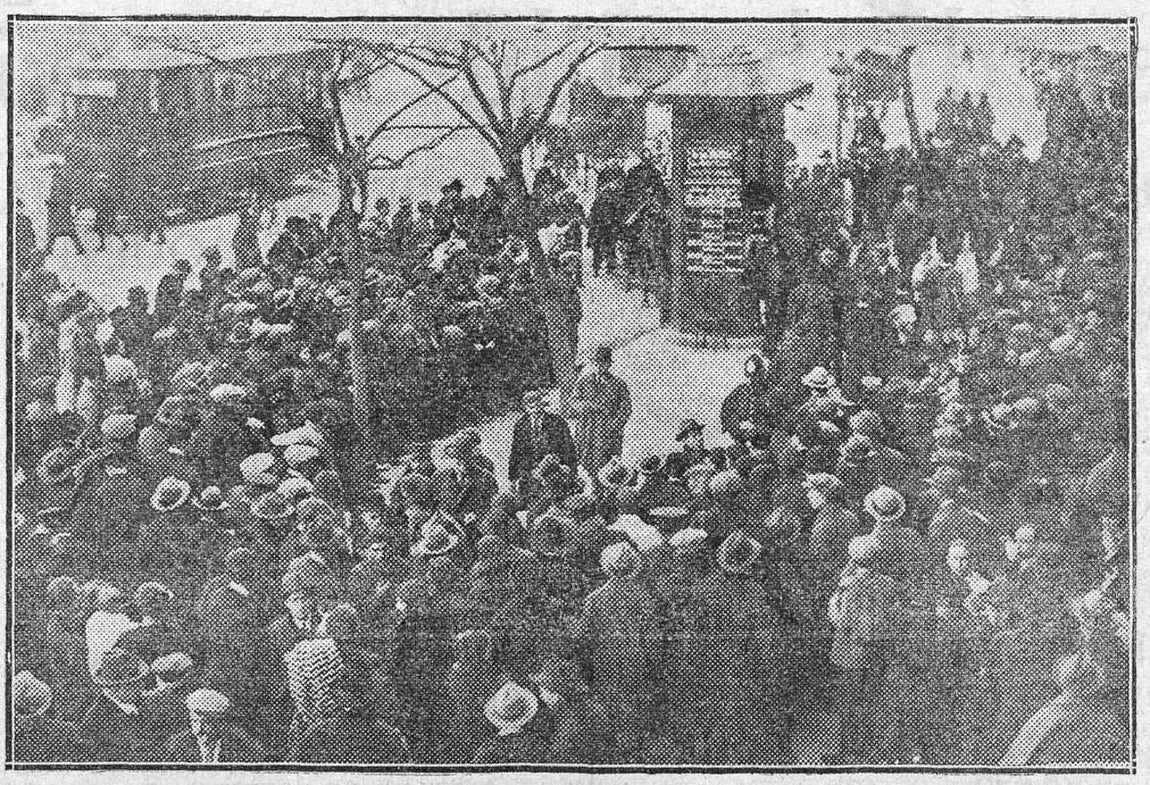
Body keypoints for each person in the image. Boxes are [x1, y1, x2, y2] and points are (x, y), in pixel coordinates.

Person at [570, 346, 631, 477]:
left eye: (604, 362)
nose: (600, 366)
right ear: (594, 363)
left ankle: (608, 491)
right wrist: (589, 405)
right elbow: (574, 402)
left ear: (609, 364)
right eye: (597, 362)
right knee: (586, 463)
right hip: (587, 430)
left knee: (609, 465)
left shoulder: (619, 384)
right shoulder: (583, 381)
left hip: (608, 431)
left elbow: (626, 409)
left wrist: (615, 425)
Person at [162, 688, 266, 762]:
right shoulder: (176, 745)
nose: (198, 730)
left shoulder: (244, 744)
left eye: (206, 723)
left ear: (221, 722)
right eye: (194, 721)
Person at [508, 389, 577, 490]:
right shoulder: (521, 425)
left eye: (536, 401)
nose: (533, 406)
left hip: (553, 469)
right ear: (525, 406)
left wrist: (570, 469)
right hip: (529, 471)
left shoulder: (557, 422)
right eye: (529, 403)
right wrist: (513, 478)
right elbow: (515, 452)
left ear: (542, 404)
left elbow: (569, 448)